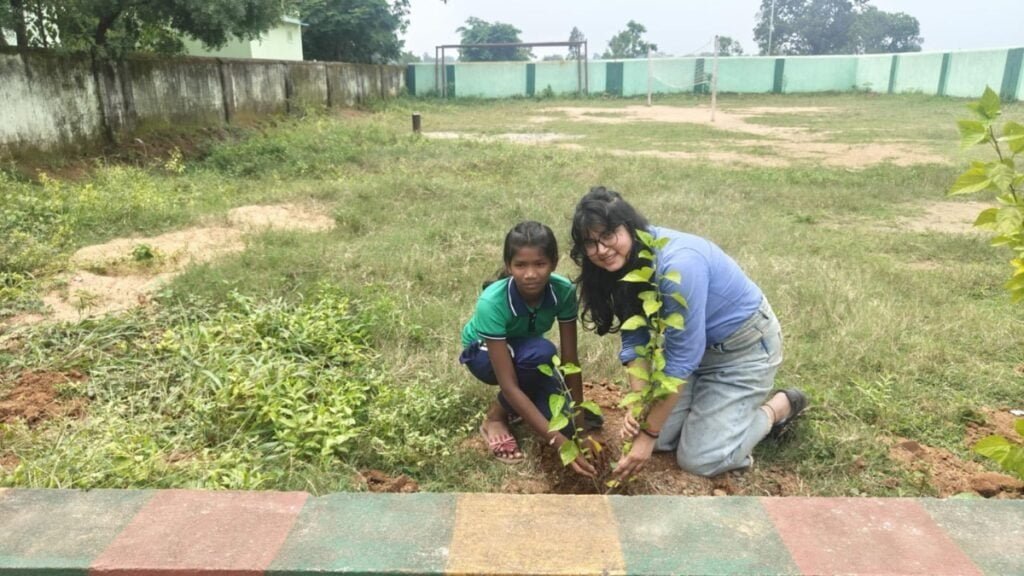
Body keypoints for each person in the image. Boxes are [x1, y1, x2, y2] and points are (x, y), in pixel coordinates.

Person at [569, 187, 807, 480]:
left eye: (608, 235)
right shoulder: (624, 265)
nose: (601, 250)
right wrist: (640, 403)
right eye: (590, 243)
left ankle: (778, 408)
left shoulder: (678, 266)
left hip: (743, 351)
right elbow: (635, 336)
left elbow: (681, 360)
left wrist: (648, 434)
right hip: (695, 352)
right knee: (661, 438)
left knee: (699, 460)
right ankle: (709, 407)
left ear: (628, 227)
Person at [459, 220, 597, 477]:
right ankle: (495, 418)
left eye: (540, 264)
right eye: (520, 265)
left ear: (554, 263)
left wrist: (580, 430)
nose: (530, 274)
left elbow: (570, 362)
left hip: (526, 351)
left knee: (565, 424)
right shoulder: (492, 302)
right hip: (483, 353)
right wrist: (559, 442)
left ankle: (531, 397)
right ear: (508, 265)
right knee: (542, 353)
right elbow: (508, 384)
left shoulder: (563, 291)